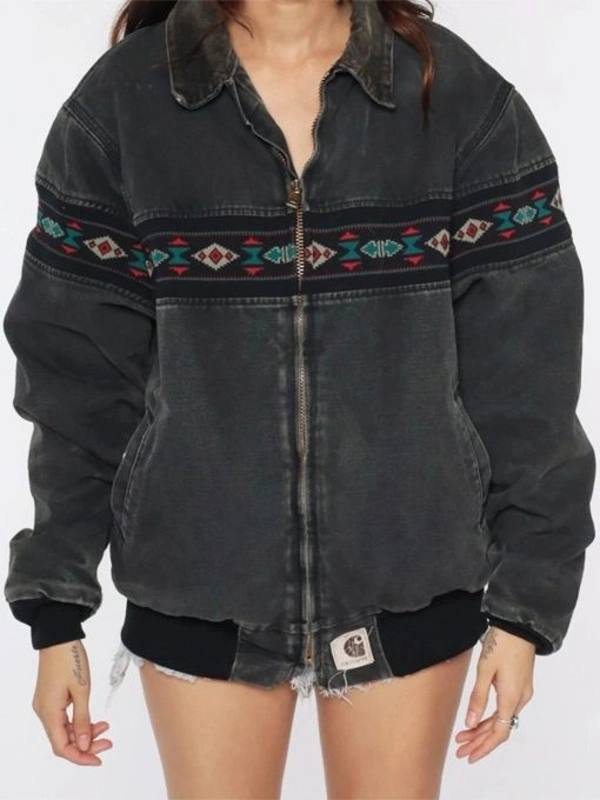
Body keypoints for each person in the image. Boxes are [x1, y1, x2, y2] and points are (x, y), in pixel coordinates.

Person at [3, 0, 596, 797]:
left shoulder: (453, 94)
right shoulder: (123, 104)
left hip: (410, 566)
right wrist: (56, 609)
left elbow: (528, 377)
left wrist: (527, 606)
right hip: (199, 578)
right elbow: (74, 378)